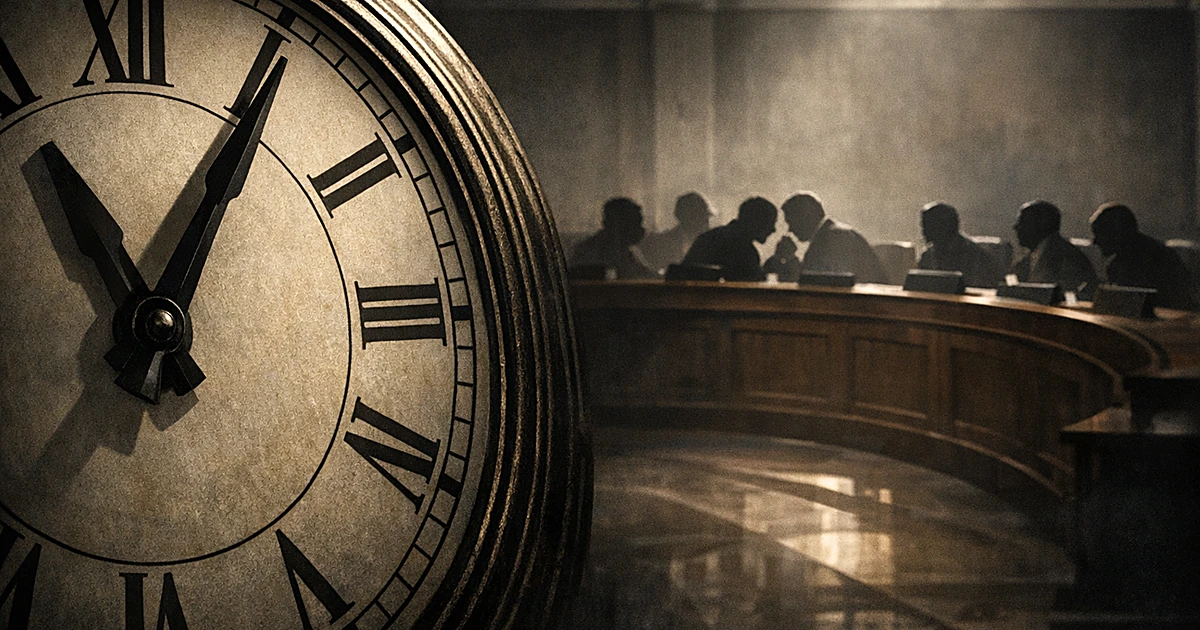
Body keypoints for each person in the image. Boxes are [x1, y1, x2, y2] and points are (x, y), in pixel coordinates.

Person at [1089, 203, 1197, 310]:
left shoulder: (1155, 261)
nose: (1095, 241)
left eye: (1099, 233)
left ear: (1117, 232)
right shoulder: (1118, 264)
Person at [781, 192, 887, 284]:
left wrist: (791, 260)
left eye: (791, 222)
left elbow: (823, 283)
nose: (790, 229)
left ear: (805, 216)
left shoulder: (836, 238)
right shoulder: (833, 235)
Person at [1010, 200, 1097, 296]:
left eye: (1023, 222)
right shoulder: (1032, 256)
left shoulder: (1065, 258)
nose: (1016, 227)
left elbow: (1066, 297)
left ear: (1041, 225)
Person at [682, 196, 777, 281]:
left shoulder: (710, 237)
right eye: (770, 222)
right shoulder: (743, 250)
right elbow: (751, 290)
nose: (773, 229)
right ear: (756, 222)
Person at [917, 202, 1004, 288]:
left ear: (949, 225)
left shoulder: (976, 256)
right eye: (923, 225)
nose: (924, 231)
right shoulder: (927, 256)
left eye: (930, 225)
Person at [570, 197, 655, 279]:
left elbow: (648, 276)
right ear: (616, 224)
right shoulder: (590, 252)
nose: (642, 229)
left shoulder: (629, 251)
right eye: (635, 223)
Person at [641, 192, 715, 273]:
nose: (706, 223)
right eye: (699, 217)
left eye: (706, 218)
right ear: (683, 217)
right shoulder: (661, 243)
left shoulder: (713, 244)